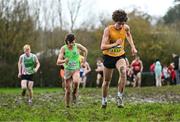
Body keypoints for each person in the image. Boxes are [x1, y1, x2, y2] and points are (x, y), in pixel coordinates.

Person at [100, 9, 137, 108]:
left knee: (123, 72)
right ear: (115, 21)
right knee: (106, 81)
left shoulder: (126, 28)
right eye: (119, 23)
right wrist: (115, 44)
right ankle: (104, 100)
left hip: (120, 56)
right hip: (108, 57)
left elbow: (128, 35)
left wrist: (133, 47)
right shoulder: (108, 30)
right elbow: (102, 47)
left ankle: (119, 98)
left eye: (123, 23)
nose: (121, 26)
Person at [56, 33, 88, 108]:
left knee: (76, 82)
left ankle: (74, 95)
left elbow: (85, 51)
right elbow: (58, 61)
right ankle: (67, 106)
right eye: (71, 42)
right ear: (67, 41)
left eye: (74, 42)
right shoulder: (63, 48)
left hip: (76, 69)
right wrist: (64, 61)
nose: (73, 44)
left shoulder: (77, 46)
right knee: (67, 90)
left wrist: (83, 62)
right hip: (67, 70)